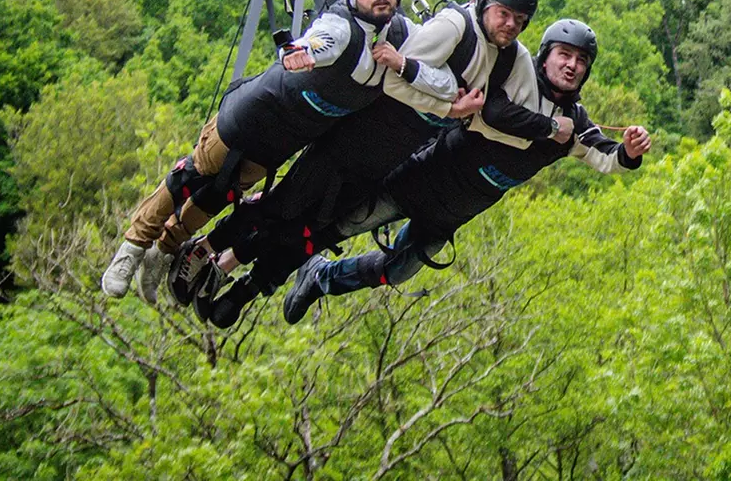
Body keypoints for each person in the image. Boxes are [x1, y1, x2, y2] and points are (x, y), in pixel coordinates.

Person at [169, 0, 563, 320]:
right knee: (284, 206)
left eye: (520, 20)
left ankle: (231, 272)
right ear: (483, 4)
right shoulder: (454, 26)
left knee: (310, 227)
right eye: (503, 14)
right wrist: (449, 109)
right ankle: (206, 251)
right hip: (360, 137)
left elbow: (502, 106)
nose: (510, 24)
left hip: (392, 155)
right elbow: (393, 80)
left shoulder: (509, 56)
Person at [99, 0, 463, 301]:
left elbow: (441, 77)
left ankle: (164, 250)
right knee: (193, 176)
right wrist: (300, 52)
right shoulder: (339, 27)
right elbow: (319, 41)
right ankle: (132, 248)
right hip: (253, 116)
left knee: (220, 194)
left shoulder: (402, 35)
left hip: (285, 139)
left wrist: (406, 65)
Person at [274, 18, 651, 325]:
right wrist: (550, 129)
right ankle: (261, 256)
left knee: (398, 271)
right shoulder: (515, 83)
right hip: (418, 180)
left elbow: (607, 158)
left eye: (581, 60)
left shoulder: (576, 122)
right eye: (564, 55)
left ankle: (321, 278)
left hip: (453, 213)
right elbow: (493, 113)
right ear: (545, 57)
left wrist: (629, 151)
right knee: (339, 226)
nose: (571, 65)